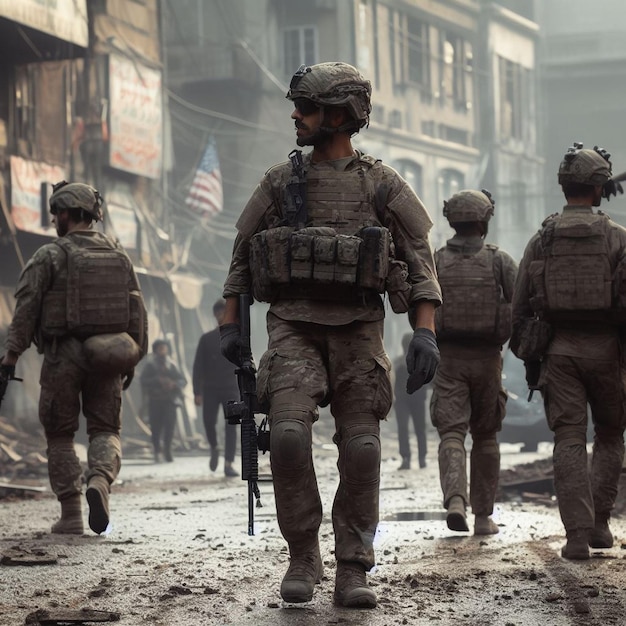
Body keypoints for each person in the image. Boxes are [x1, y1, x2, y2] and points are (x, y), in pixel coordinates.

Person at [219, 62, 441, 608]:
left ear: (339, 116)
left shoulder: (383, 183)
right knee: (289, 436)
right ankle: (302, 554)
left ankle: (353, 567)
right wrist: (231, 325)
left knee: (362, 449)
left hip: (359, 331)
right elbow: (242, 258)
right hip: (293, 327)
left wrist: (425, 333)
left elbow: (419, 264)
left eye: (307, 108)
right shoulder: (279, 181)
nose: (295, 116)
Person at [0, 181, 148, 535]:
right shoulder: (118, 253)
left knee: (61, 434)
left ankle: (70, 514)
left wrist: (10, 357)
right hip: (109, 353)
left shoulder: (50, 256)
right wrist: (132, 356)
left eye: (55, 215)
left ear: (66, 214)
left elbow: (25, 311)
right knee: (106, 429)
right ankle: (99, 480)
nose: (54, 221)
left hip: (62, 355)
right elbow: (137, 310)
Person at [511, 142, 626, 560]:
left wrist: (530, 358)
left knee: (569, 438)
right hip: (610, 353)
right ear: (598, 189)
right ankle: (599, 523)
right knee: (612, 435)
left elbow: (520, 306)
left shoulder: (542, 239)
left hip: (558, 353)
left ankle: (576, 535)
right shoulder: (618, 238)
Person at [430, 189, 517, 536]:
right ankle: (483, 516)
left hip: (448, 358)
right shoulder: (499, 261)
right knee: (486, 436)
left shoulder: (436, 261)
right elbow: (523, 302)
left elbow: (418, 304)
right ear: (484, 220)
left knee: (451, 434)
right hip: (488, 359)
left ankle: (455, 501)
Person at [192, 299, 239, 477]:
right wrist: (197, 391)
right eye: (218, 313)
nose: (221, 315)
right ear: (214, 315)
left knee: (231, 425)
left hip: (231, 387)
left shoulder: (238, 337)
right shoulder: (206, 339)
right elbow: (198, 367)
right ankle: (214, 446)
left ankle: (228, 463)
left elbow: (245, 362)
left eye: (224, 312)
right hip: (210, 388)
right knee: (208, 422)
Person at [140, 339, 187, 463]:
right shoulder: (150, 365)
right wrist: (157, 380)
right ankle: (157, 451)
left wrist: (174, 384)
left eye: (165, 348)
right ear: (156, 350)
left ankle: (167, 450)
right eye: (160, 348)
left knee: (170, 427)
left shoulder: (172, 365)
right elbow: (143, 380)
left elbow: (183, 381)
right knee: (156, 427)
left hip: (170, 401)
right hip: (155, 401)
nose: (163, 351)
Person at [393, 333, 428, 470]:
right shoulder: (421, 363)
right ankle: (421, 458)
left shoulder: (398, 363)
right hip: (415, 400)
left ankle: (407, 458)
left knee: (404, 429)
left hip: (403, 401)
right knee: (419, 430)